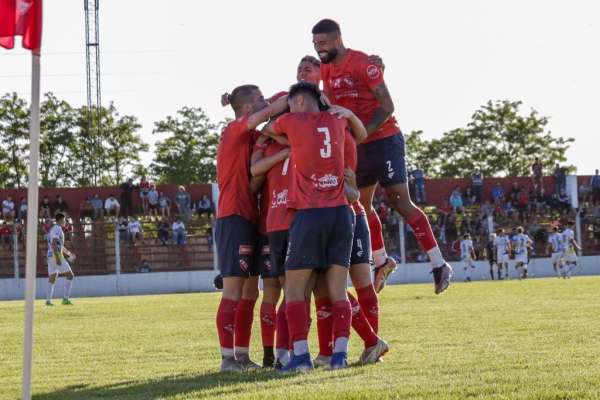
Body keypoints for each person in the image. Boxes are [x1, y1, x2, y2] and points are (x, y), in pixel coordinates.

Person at [312, 19, 452, 294]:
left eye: (323, 43)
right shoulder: (325, 68)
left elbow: (387, 106)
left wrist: (362, 132)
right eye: (315, 44)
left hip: (384, 139)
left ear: (338, 39)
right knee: (360, 205)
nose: (319, 49)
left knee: (400, 201)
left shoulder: (364, 63)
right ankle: (382, 261)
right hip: (357, 143)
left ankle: (439, 264)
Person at [262, 81, 366, 371]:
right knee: (338, 290)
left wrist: (287, 131)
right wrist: (346, 112)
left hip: (309, 214)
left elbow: (265, 129)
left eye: (292, 101)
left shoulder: (291, 120)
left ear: (297, 102)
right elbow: (362, 133)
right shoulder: (336, 119)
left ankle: (301, 358)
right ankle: (340, 357)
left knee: (294, 291)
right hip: (341, 213)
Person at [214, 84, 289, 372]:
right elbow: (273, 107)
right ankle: (227, 358)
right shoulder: (235, 129)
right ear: (247, 109)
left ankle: (242, 356)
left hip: (250, 218)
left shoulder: (252, 136)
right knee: (233, 291)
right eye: (258, 98)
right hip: (233, 216)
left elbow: (276, 103)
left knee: (250, 293)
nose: (264, 100)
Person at [45, 212, 76, 306]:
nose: (65, 221)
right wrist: (58, 258)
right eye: (64, 220)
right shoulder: (57, 229)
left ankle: (48, 301)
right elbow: (54, 243)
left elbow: (60, 246)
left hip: (50, 255)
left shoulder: (55, 229)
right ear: (59, 220)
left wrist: (69, 254)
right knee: (70, 275)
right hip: (55, 255)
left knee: (52, 277)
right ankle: (65, 299)